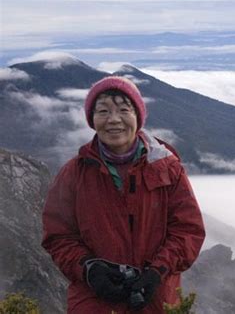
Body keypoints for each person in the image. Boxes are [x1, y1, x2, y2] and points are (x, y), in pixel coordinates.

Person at [42, 76, 206, 313]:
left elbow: (187, 230)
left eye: (123, 110)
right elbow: (58, 236)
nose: (114, 120)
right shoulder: (74, 173)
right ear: (92, 119)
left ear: (138, 117)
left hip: (155, 298)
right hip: (94, 301)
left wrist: (157, 272)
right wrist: (89, 269)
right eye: (103, 111)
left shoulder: (168, 169)